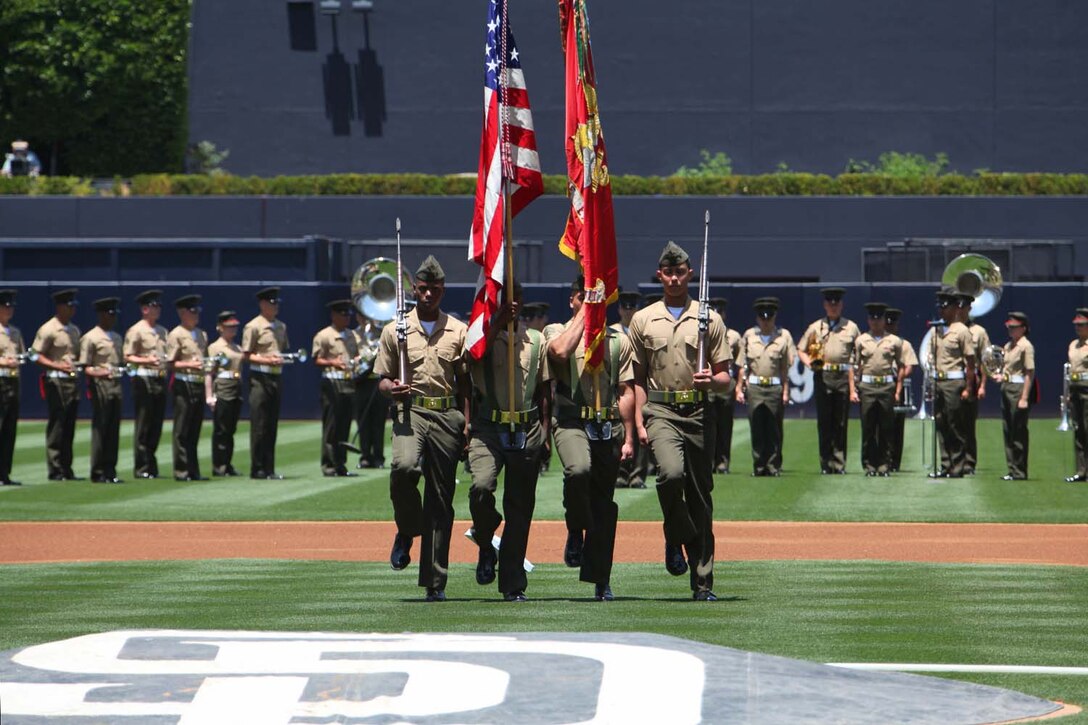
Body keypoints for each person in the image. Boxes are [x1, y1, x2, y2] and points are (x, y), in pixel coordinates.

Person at [628, 241, 732, 602]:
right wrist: (640, 422)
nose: (674, 278)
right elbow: (636, 378)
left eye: (680, 272)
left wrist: (712, 381)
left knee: (701, 497)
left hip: (700, 411)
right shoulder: (643, 320)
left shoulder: (709, 319)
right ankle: (677, 535)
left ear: (690, 274)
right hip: (661, 411)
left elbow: (725, 378)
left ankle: (702, 581)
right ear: (660, 275)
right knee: (671, 475)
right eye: (668, 272)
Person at [376, 257, 470, 602]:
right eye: (423, 287)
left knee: (441, 498)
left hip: (447, 414)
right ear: (414, 289)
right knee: (403, 469)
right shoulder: (395, 330)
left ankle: (435, 581)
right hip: (410, 411)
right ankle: (407, 529)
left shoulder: (458, 331)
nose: (429, 293)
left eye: (436, 288)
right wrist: (391, 388)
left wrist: (467, 425)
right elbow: (382, 379)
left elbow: (465, 385)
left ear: (443, 290)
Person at [547, 276, 635, 600]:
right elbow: (559, 351)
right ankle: (574, 527)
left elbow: (625, 389)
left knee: (603, 503)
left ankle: (600, 578)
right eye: (582, 297)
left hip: (606, 425)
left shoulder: (616, 341)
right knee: (578, 470)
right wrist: (587, 311)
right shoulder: (555, 331)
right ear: (573, 299)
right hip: (571, 421)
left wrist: (628, 438)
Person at [467, 281, 551, 603]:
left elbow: (545, 390)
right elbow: (472, 359)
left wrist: (545, 431)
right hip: (488, 428)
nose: (511, 304)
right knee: (482, 488)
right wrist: (497, 322)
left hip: (526, 428)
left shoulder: (536, 341)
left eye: (514, 299)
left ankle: (513, 584)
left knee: (520, 507)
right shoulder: (480, 337)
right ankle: (486, 539)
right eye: (503, 298)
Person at [798, 287, 860, 474]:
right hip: (823, 375)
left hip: (842, 375)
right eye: (830, 303)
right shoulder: (816, 327)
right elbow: (801, 349)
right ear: (825, 305)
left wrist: (854, 380)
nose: (833, 306)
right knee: (824, 422)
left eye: (837, 303)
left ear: (841, 305)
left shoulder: (851, 327)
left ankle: (839, 463)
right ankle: (825, 463)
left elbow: (858, 351)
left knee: (840, 422)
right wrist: (810, 363)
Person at [735, 297, 796, 477]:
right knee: (757, 428)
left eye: (769, 318)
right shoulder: (749, 337)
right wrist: (739, 388)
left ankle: (773, 466)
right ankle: (759, 466)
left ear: (774, 317)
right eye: (762, 318)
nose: (766, 321)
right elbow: (743, 366)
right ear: (757, 319)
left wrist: (786, 391)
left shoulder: (782, 339)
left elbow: (784, 369)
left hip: (774, 387)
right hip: (754, 388)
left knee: (773, 429)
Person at [927, 288, 977, 479]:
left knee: (956, 425)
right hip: (939, 380)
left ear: (956, 308)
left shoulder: (962, 331)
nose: (942, 311)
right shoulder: (937, 330)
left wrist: (968, 387)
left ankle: (958, 465)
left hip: (955, 382)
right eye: (940, 307)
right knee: (941, 423)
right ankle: (945, 464)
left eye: (945, 307)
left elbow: (970, 363)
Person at [33, 288, 82, 481]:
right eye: (69, 306)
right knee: (57, 425)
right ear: (60, 307)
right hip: (56, 380)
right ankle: (55, 468)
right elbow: (36, 355)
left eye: (73, 306)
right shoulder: (49, 329)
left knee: (69, 426)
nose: (72, 310)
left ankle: (67, 467)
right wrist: (56, 365)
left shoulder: (74, 330)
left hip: (72, 380)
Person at [851, 302, 905, 476]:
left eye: (879, 318)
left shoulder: (894, 341)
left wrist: (897, 390)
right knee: (868, 428)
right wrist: (853, 389)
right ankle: (869, 465)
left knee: (886, 428)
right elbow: (854, 366)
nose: (875, 322)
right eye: (872, 318)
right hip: (867, 386)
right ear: (868, 320)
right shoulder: (861, 340)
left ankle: (884, 465)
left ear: (883, 320)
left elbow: (902, 366)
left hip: (886, 385)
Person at [243, 286, 290, 480]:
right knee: (259, 424)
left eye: (276, 302)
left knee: (271, 424)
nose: (275, 306)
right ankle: (257, 467)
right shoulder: (253, 326)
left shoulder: (280, 326)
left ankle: (269, 467)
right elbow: (247, 355)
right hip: (260, 377)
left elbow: (283, 349)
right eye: (271, 302)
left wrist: (280, 359)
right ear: (262, 304)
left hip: (275, 376)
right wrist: (266, 360)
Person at [79, 297, 124, 484]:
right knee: (101, 428)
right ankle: (98, 471)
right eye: (109, 314)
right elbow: (85, 366)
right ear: (101, 314)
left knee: (113, 429)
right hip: (100, 385)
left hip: (115, 385)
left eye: (114, 314)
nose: (112, 318)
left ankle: (110, 470)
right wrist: (101, 372)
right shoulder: (91, 337)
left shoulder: (116, 337)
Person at [124, 289, 168, 479]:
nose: (157, 309)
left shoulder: (162, 331)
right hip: (144, 378)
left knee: (156, 424)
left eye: (158, 306)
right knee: (144, 424)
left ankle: (152, 464)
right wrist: (146, 360)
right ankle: (142, 467)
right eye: (153, 306)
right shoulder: (136, 330)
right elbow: (127, 356)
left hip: (159, 377)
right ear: (144, 309)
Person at [313, 299, 360, 477]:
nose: (346, 318)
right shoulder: (324, 335)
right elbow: (316, 359)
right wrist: (333, 362)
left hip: (348, 381)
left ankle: (341, 464)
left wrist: (357, 361)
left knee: (344, 425)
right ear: (334, 315)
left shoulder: (351, 335)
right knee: (331, 425)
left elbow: (355, 355)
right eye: (343, 314)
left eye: (348, 314)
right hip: (332, 381)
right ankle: (329, 464)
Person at [166, 294, 208, 481]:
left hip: (197, 382)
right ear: (182, 313)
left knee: (194, 429)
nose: (196, 314)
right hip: (183, 382)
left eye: (197, 310)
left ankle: (194, 469)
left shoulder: (201, 334)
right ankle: (181, 470)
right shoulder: (176, 334)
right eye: (192, 311)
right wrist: (190, 365)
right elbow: (170, 363)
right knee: (182, 429)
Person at [991, 312, 1034, 480]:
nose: (1011, 330)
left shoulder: (1025, 346)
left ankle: (1020, 470)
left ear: (1023, 328)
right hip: (1007, 386)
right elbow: (1007, 369)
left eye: (1014, 327)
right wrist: (1000, 377)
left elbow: (1029, 373)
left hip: (1018, 389)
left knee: (1018, 431)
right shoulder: (1009, 346)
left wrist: (1024, 397)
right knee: (1008, 430)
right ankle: (1012, 469)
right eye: (1009, 327)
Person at [611, 291, 647, 489]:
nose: (628, 311)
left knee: (641, 427)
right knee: (621, 429)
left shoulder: (642, 330)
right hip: (621, 386)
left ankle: (637, 475)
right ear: (619, 309)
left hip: (639, 384)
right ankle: (620, 473)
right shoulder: (613, 330)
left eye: (632, 307)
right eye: (625, 307)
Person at [205, 311, 244, 476]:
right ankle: (219, 465)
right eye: (229, 327)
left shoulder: (237, 347)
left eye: (234, 327)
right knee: (221, 429)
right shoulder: (215, 347)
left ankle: (227, 463)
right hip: (223, 387)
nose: (233, 330)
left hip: (236, 387)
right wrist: (209, 395)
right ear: (220, 328)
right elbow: (209, 372)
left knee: (230, 429)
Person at [709, 297, 742, 474]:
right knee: (707, 426)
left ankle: (722, 463)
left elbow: (739, 362)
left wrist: (737, 386)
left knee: (725, 426)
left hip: (726, 383)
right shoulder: (702, 333)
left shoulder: (734, 336)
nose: (717, 315)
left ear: (724, 314)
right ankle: (707, 462)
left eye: (719, 312)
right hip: (708, 382)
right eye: (713, 311)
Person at [353, 310, 389, 469]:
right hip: (361, 382)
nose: (365, 319)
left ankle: (378, 457)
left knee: (378, 421)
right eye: (361, 316)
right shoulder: (353, 335)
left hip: (376, 381)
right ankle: (365, 456)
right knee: (363, 420)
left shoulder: (380, 334)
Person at [884, 308, 917, 472]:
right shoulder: (879, 342)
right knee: (881, 425)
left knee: (897, 426)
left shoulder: (904, 344)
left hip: (898, 383)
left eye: (893, 324)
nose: (890, 327)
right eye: (888, 324)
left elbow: (910, 365)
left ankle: (895, 461)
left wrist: (900, 374)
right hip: (882, 384)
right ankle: (882, 458)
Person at [960, 305, 991, 475]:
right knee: (951, 423)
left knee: (968, 425)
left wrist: (983, 386)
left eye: (963, 308)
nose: (960, 311)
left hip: (972, 380)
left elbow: (985, 360)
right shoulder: (948, 329)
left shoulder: (979, 331)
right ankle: (954, 460)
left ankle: (969, 462)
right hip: (952, 379)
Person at [0, 290, 25, 486]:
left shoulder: (15, 332)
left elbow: (22, 355)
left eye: (11, 306)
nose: (9, 310)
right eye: (5, 306)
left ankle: (4, 473)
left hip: (13, 381)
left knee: (9, 429)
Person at [1066, 308, 1088, 483]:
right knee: (1079, 431)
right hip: (1075, 389)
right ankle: (1081, 471)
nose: (1078, 328)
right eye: (1076, 325)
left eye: (1081, 325)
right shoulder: (1073, 345)